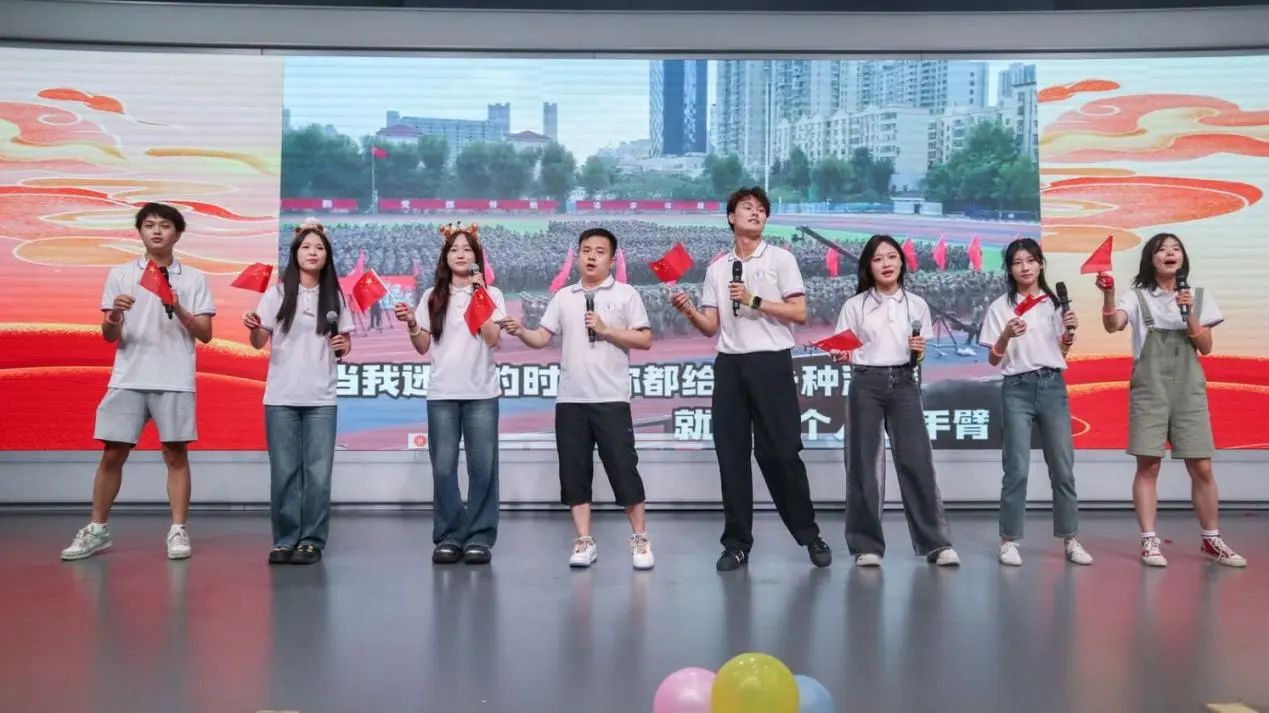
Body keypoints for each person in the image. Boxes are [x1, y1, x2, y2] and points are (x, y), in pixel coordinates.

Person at [670, 186, 831, 571]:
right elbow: (711, 326)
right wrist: (688, 309)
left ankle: (809, 535)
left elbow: (799, 312)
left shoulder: (780, 259)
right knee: (732, 458)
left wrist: (753, 299)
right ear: (731, 217)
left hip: (771, 363)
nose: (756, 213)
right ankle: (737, 544)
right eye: (747, 207)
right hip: (730, 367)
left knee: (782, 454)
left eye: (761, 209)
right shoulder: (717, 269)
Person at [61, 203, 215, 561]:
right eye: (149, 225)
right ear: (140, 232)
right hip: (129, 376)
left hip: (174, 377)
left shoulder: (193, 278)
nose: (156, 231)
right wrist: (115, 314)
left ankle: (178, 530)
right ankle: (97, 530)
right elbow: (109, 335)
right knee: (112, 453)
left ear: (178, 233)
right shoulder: (121, 274)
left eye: (164, 225)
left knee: (175, 454)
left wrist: (177, 306)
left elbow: (206, 333)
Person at [502, 228, 656, 570]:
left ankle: (640, 538)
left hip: (611, 399)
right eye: (586, 250)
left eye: (599, 251)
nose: (591, 257)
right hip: (571, 400)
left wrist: (606, 329)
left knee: (624, 470)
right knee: (574, 473)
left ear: (611, 260)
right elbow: (542, 338)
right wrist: (521, 331)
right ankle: (584, 540)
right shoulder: (564, 296)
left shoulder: (626, 294)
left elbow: (644, 339)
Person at [1099, 232, 1246, 568]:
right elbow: (1113, 325)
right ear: (1150, 259)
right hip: (1150, 389)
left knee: (1202, 466)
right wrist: (1108, 295)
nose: (1170, 253)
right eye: (1162, 249)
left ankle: (1211, 539)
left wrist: (1189, 312)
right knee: (1149, 464)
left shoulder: (1198, 296)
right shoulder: (1136, 296)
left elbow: (1206, 347)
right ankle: (1149, 541)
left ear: (1183, 258)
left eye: (1175, 248)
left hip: (1188, 389)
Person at [831, 234, 960, 568]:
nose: (886, 264)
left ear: (902, 261)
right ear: (868, 267)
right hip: (866, 383)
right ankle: (866, 546)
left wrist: (919, 353)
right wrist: (842, 355)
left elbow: (920, 354)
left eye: (891, 257)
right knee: (864, 465)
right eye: (878, 259)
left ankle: (936, 543)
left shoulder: (916, 305)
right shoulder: (855, 306)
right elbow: (845, 349)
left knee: (917, 462)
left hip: (904, 383)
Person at [243, 220, 353, 565]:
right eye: (306, 247)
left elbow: (345, 344)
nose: (313, 252)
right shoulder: (276, 294)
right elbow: (258, 341)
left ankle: (311, 540)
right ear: (295, 253)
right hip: (281, 397)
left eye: (319, 247)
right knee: (284, 472)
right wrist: (253, 327)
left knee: (318, 474)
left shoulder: (335, 297)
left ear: (327, 255)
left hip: (321, 397)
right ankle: (285, 539)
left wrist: (342, 344)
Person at [394, 224, 504, 565]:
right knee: (443, 468)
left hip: (482, 393)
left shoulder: (491, 294)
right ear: (445, 257)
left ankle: (480, 537)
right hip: (442, 393)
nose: (461, 254)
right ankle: (450, 535)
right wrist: (413, 324)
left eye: (467, 249)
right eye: (454, 249)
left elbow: (492, 338)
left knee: (482, 468)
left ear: (477, 257)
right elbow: (422, 345)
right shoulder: (432, 296)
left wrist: (480, 296)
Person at [979, 238, 1092, 567]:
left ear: (1041, 264)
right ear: (1009, 269)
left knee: (1063, 468)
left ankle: (1071, 539)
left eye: (1030, 260)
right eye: (1017, 262)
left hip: (1052, 386)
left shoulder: (1054, 303)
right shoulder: (1000, 307)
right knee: (1016, 468)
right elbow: (993, 359)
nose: (1025, 267)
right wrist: (1005, 335)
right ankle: (1009, 540)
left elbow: (1061, 351)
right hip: (1017, 388)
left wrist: (1068, 335)